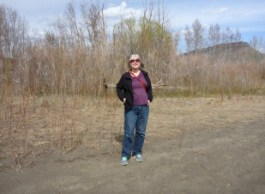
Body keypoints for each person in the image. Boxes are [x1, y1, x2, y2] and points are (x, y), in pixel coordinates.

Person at [116, 54, 153, 166]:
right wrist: (123, 98)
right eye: (133, 60)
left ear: (140, 62)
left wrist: (150, 98)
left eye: (137, 60)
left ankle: (137, 152)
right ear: (130, 63)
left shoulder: (145, 74)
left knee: (141, 132)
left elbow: (149, 88)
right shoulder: (126, 76)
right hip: (131, 108)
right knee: (129, 132)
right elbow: (118, 87)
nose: (135, 62)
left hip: (144, 108)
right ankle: (125, 155)